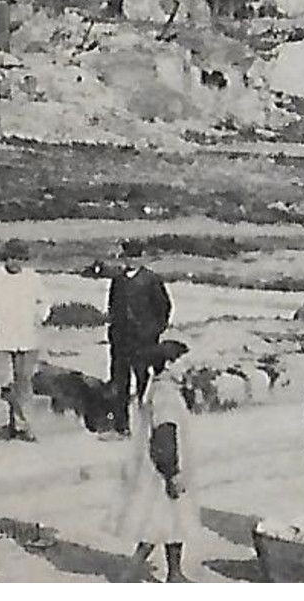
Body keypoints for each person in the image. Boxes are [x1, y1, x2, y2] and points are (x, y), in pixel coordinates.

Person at [110, 340, 200, 583]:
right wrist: (172, 472)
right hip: (162, 471)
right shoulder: (166, 396)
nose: (188, 368)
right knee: (157, 522)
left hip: (161, 468)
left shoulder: (157, 389)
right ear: (169, 365)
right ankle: (130, 572)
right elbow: (164, 435)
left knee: (174, 521)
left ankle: (175, 572)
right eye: (183, 363)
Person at [0, 241, 51, 446]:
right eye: (12, 257)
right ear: (5, 257)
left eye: (20, 258)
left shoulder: (33, 279)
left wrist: (40, 316)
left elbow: (45, 302)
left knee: (24, 386)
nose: (16, 262)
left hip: (26, 340)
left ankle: (22, 427)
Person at [108, 239, 173, 435]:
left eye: (136, 257)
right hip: (121, 340)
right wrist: (112, 332)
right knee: (120, 383)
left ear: (142, 258)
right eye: (128, 257)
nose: (131, 261)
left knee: (143, 382)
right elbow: (112, 307)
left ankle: (147, 424)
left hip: (143, 341)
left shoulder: (151, 280)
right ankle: (121, 426)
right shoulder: (118, 280)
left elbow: (164, 308)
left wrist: (153, 331)